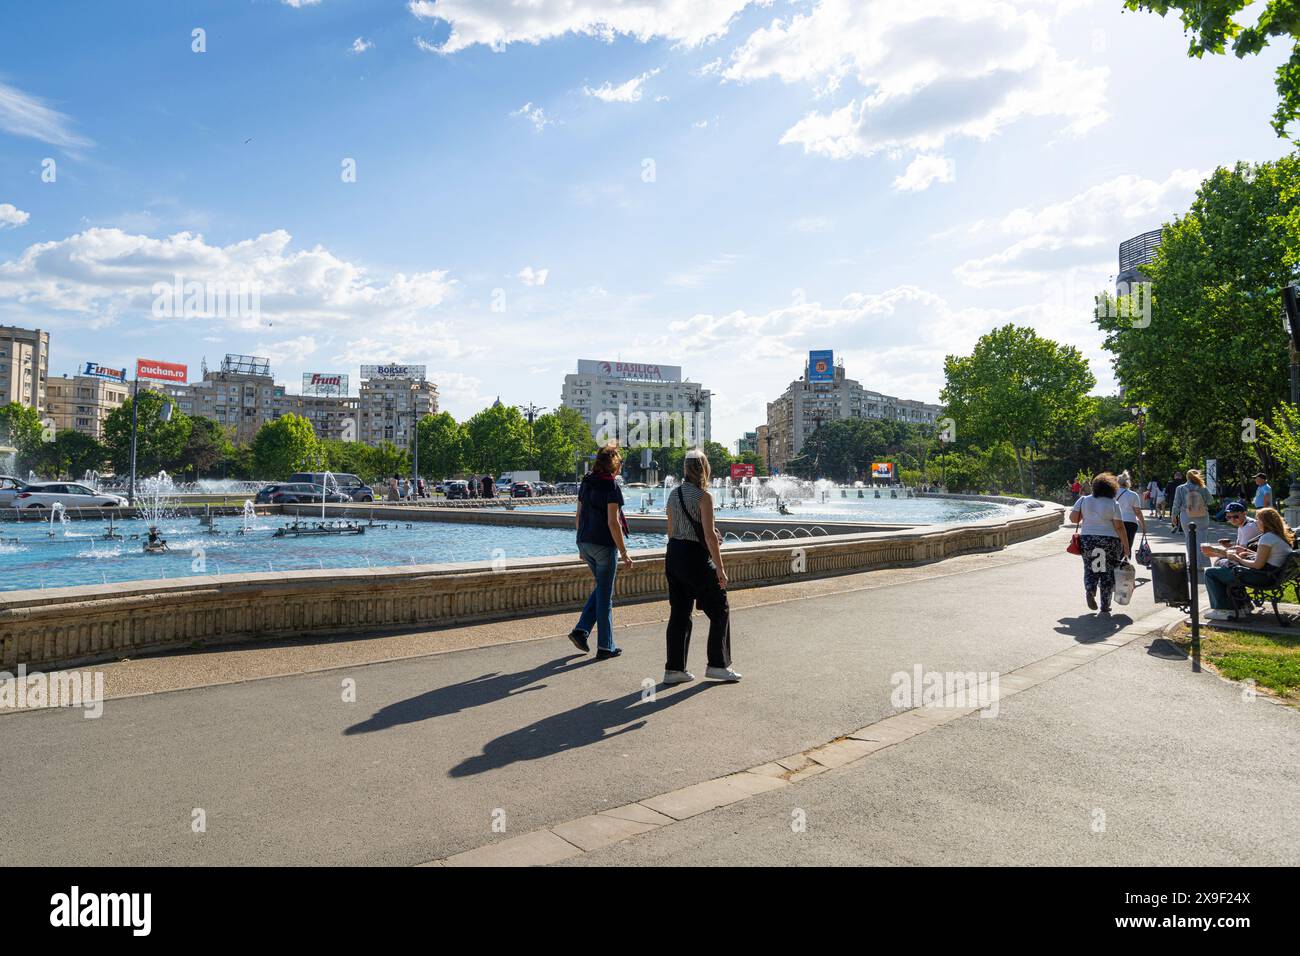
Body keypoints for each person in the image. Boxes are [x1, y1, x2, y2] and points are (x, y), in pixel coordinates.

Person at [662, 449, 741, 684]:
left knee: (679, 613)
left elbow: (669, 529)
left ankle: (674, 669)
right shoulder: (704, 497)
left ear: (686, 469)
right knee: (719, 607)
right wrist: (720, 567)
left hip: (674, 555)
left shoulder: (673, 495)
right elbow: (708, 536)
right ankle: (717, 664)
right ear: (704, 468)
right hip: (695, 557)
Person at [567, 444, 633, 660]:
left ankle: (581, 630)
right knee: (605, 597)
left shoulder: (587, 481)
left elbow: (578, 514)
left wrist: (580, 543)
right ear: (613, 463)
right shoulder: (611, 486)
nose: (621, 464)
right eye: (620, 460)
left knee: (602, 589)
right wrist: (624, 552)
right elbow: (613, 523)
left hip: (585, 541)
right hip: (604, 545)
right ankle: (605, 647)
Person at [1203, 507, 1294, 620]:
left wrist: (1237, 558)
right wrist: (1246, 552)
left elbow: (1257, 565)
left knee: (1211, 572)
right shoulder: (1278, 536)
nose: (1256, 522)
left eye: (1258, 520)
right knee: (1224, 568)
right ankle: (1242, 606)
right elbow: (1267, 557)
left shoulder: (1267, 538)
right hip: (1271, 574)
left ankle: (1224, 610)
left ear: (1265, 522)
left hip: (1263, 577)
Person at [1070, 473, 1129, 614]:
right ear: (1112, 488)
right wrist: (1126, 546)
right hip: (1110, 540)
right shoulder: (1113, 503)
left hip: (1088, 539)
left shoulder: (1084, 500)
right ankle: (1105, 605)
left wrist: (1088, 514)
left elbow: (1073, 519)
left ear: (1094, 487)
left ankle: (1090, 590)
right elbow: (1120, 526)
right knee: (1107, 572)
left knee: (1091, 567)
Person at [1201, 502, 1262, 567]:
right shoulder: (1244, 524)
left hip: (1252, 560)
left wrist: (1215, 551)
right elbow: (1242, 548)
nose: (1232, 519)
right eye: (1229, 517)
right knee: (1220, 560)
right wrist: (1229, 546)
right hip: (1252, 557)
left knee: (1219, 562)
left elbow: (1241, 552)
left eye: (1235, 516)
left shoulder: (1248, 527)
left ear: (1244, 513)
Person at [1172, 469, 1213, 566]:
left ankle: (1193, 562)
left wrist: (1174, 516)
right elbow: (1211, 500)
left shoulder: (1180, 488)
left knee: (1189, 539)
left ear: (1187, 477)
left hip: (1186, 515)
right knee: (1203, 539)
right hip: (1202, 515)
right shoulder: (1203, 487)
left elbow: (1176, 504)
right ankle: (1203, 563)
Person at [1115, 471, 1146, 559]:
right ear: (1127, 483)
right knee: (1128, 545)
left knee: (1116, 545)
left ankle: (1115, 565)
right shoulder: (1133, 495)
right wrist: (1143, 526)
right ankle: (1125, 566)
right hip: (1130, 523)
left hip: (1116, 522)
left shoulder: (1113, 494)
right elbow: (1138, 512)